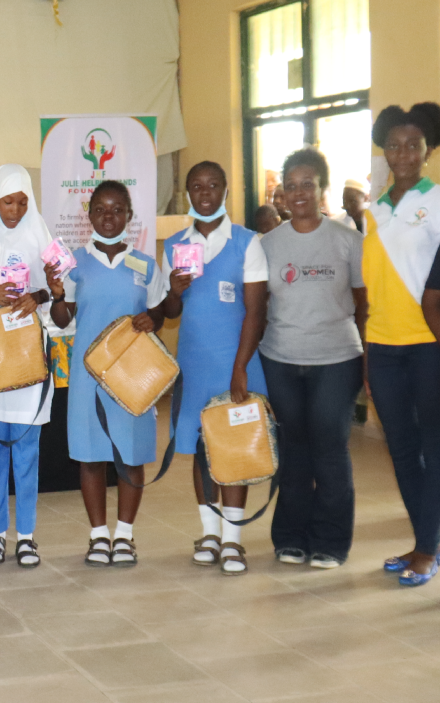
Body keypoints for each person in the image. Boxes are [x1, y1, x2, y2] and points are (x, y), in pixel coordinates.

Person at [47, 181, 168, 567]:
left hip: (132, 373)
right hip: (88, 375)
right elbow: (62, 318)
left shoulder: (146, 265)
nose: (109, 217)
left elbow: (159, 311)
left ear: (130, 215)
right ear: (89, 216)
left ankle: (125, 535)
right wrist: (56, 293)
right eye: (100, 210)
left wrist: (154, 319)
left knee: (131, 455)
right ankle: (99, 536)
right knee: (91, 456)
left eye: (117, 210)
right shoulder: (74, 263)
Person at [160, 161, 268, 575]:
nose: (205, 193)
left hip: (236, 361)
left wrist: (240, 367)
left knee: (233, 449)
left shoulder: (247, 243)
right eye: (196, 186)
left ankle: (233, 540)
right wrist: (174, 289)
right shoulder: (174, 245)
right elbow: (170, 312)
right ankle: (209, 531)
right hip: (194, 362)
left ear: (225, 190)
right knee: (201, 449)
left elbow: (255, 313)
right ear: (188, 193)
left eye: (213, 185)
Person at [260, 147, 365, 569]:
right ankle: (290, 537)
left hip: (337, 359)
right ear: (281, 194)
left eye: (308, 183)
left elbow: (363, 305)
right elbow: (256, 306)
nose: (299, 192)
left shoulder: (347, 240)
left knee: (330, 447)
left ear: (322, 188)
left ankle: (332, 541)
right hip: (281, 358)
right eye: (291, 185)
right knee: (293, 449)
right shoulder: (267, 244)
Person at [365, 104, 440, 585]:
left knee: (433, 448)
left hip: (427, 345)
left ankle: (427, 549)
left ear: (429, 150)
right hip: (383, 345)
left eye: (413, 145)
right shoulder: (374, 210)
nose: (403, 153)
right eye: (394, 144)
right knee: (401, 450)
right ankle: (427, 544)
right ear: (384, 149)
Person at [0, 164, 55, 568]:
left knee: (27, 451)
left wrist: (38, 295)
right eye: (8, 201)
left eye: (22, 201)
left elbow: (59, 292)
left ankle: (27, 536)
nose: (15, 209)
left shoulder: (41, 232)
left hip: (28, 358)